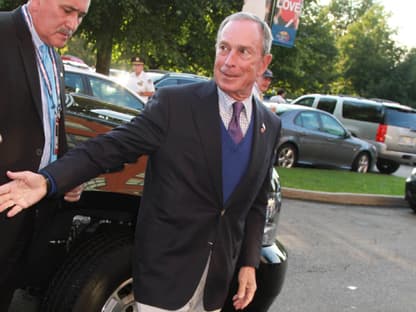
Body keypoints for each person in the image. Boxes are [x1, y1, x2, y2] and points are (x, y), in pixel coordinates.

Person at [0, 11, 281, 312]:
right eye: (223, 48)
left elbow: (255, 202)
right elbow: (111, 146)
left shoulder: (270, 125)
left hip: (215, 285)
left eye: (243, 52)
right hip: (162, 281)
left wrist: (249, 263)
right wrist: (49, 180)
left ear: (263, 63)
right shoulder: (176, 105)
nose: (228, 61)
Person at [0, 0, 90, 309]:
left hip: (26, 215)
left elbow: (51, 128)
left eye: (80, 15)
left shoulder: (55, 58)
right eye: (67, 10)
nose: (73, 24)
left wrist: (65, 175)